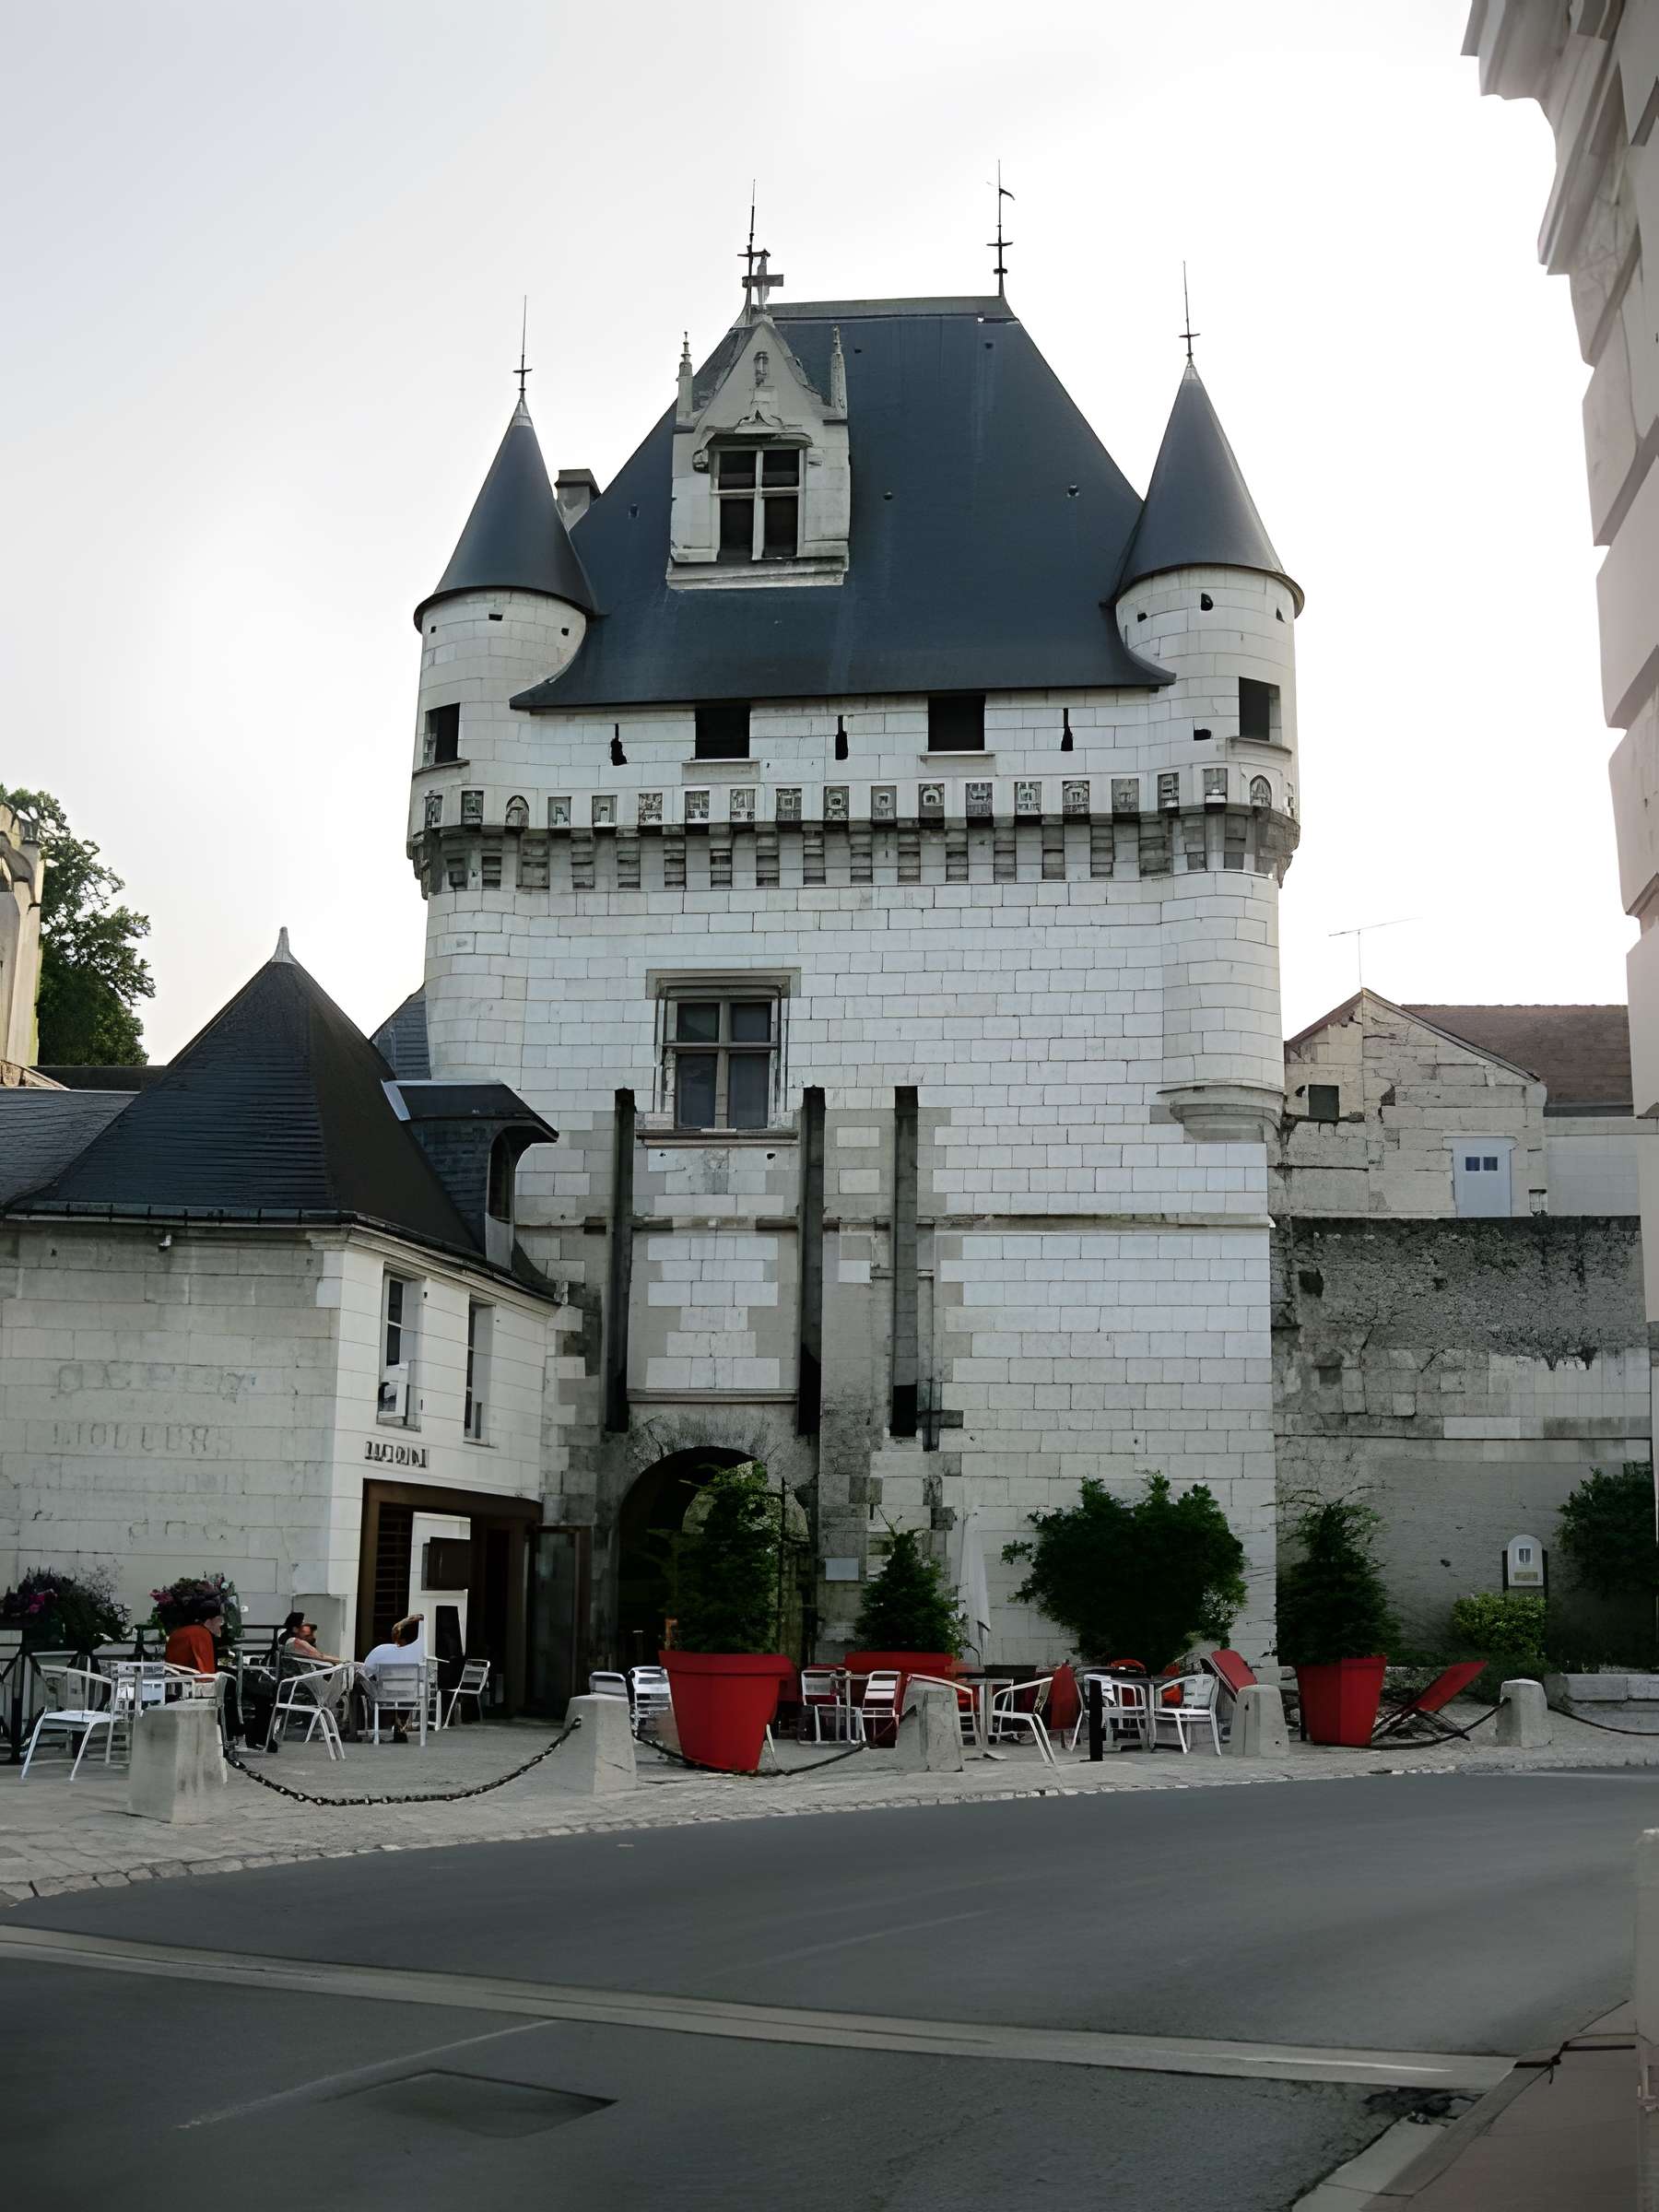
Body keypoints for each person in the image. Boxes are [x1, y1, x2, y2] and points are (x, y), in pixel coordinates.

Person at [162, 1605, 252, 1747]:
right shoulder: (200, 1633)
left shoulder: (181, 1632)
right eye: (219, 1622)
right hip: (193, 1680)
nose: (221, 1626)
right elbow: (205, 1665)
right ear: (209, 1622)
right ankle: (232, 1731)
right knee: (232, 1684)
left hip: (177, 1678)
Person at [359, 1615, 427, 1744]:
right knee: (408, 1688)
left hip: (384, 1696)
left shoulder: (381, 1650)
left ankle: (383, 1724)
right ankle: (400, 1724)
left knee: (366, 1684)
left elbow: (365, 1672)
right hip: (410, 1696)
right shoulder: (420, 1654)